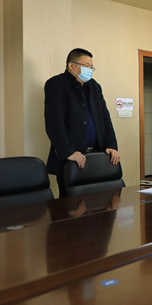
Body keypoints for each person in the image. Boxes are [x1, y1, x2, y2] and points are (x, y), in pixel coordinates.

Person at [44, 48, 120, 197]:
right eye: (86, 66)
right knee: (71, 205)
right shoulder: (56, 84)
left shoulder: (95, 86)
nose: (90, 70)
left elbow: (105, 117)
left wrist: (111, 145)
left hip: (97, 155)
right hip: (72, 157)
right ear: (71, 66)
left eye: (91, 67)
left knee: (99, 201)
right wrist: (68, 152)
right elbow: (54, 123)